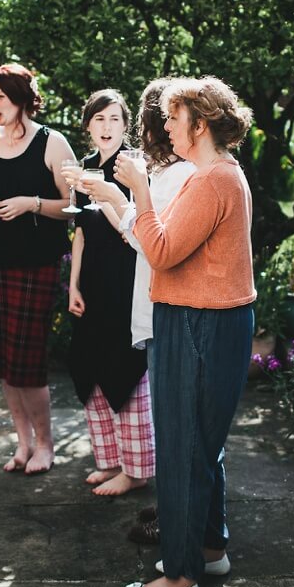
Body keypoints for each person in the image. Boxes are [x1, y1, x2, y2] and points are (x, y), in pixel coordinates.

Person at [89, 76, 255, 587]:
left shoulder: (212, 180)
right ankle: (208, 550)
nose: (164, 125)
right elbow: (169, 239)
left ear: (200, 124)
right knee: (203, 447)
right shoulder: (217, 173)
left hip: (196, 321)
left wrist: (136, 189)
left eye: (174, 117)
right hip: (209, 319)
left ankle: (179, 574)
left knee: (182, 449)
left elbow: (159, 250)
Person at [0, 63, 77, 475]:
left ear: (23, 99)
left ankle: (46, 444)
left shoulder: (51, 142)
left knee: (28, 362)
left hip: (33, 263)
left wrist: (32, 203)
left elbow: (74, 205)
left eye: (1, 98)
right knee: (5, 361)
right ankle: (22, 444)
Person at [90, 78, 196, 537]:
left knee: (177, 426)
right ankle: (176, 511)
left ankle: (184, 527)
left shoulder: (180, 176)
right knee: (172, 424)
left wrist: (118, 197)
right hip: (158, 309)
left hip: (172, 311)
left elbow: (153, 246)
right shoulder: (169, 174)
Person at [65, 89, 154, 496]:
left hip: (126, 282)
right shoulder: (83, 169)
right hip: (93, 282)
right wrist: (73, 285)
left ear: (126, 125)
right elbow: (80, 232)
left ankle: (136, 470)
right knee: (89, 367)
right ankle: (109, 461)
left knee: (126, 370)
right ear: (88, 126)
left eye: (115, 119)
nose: (106, 127)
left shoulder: (134, 167)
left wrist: (110, 197)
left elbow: (134, 232)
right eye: (99, 119)